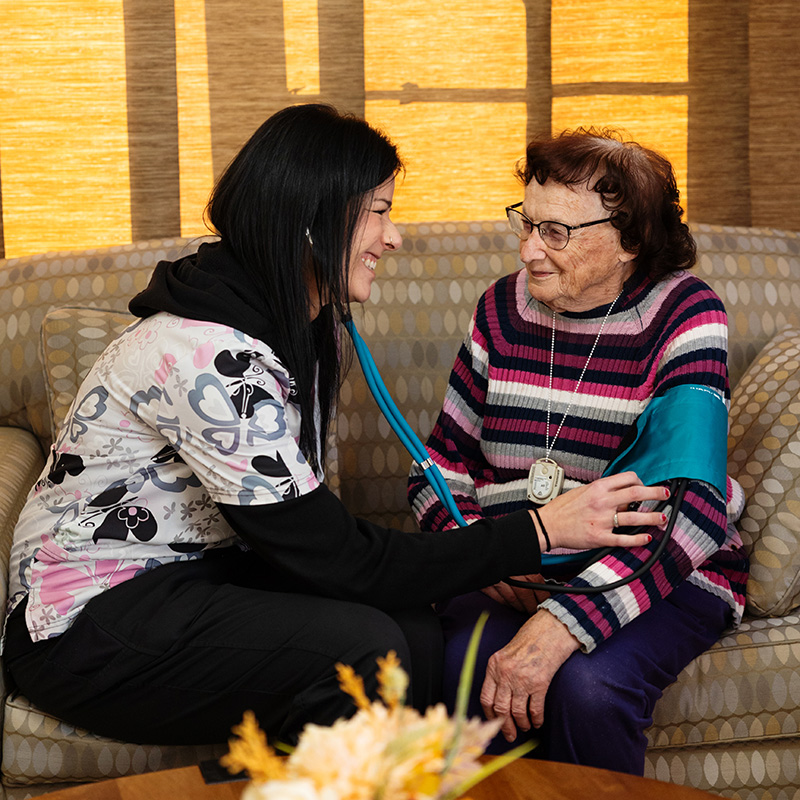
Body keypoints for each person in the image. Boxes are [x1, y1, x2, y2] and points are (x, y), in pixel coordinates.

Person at [3, 106, 664, 748]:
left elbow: (323, 546)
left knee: (416, 630)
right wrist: (541, 531)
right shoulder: (205, 359)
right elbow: (337, 558)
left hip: (192, 582)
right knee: (366, 651)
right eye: (379, 212)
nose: (394, 237)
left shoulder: (286, 324)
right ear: (313, 223)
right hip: (86, 630)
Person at [408, 128, 749, 775]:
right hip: (510, 567)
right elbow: (438, 466)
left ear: (630, 241)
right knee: (461, 671)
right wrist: (482, 552)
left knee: (588, 692)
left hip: (657, 572)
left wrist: (568, 621)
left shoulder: (681, 314)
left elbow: (693, 508)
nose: (528, 250)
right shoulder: (501, 311)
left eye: (555, 232)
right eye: (527, 223)